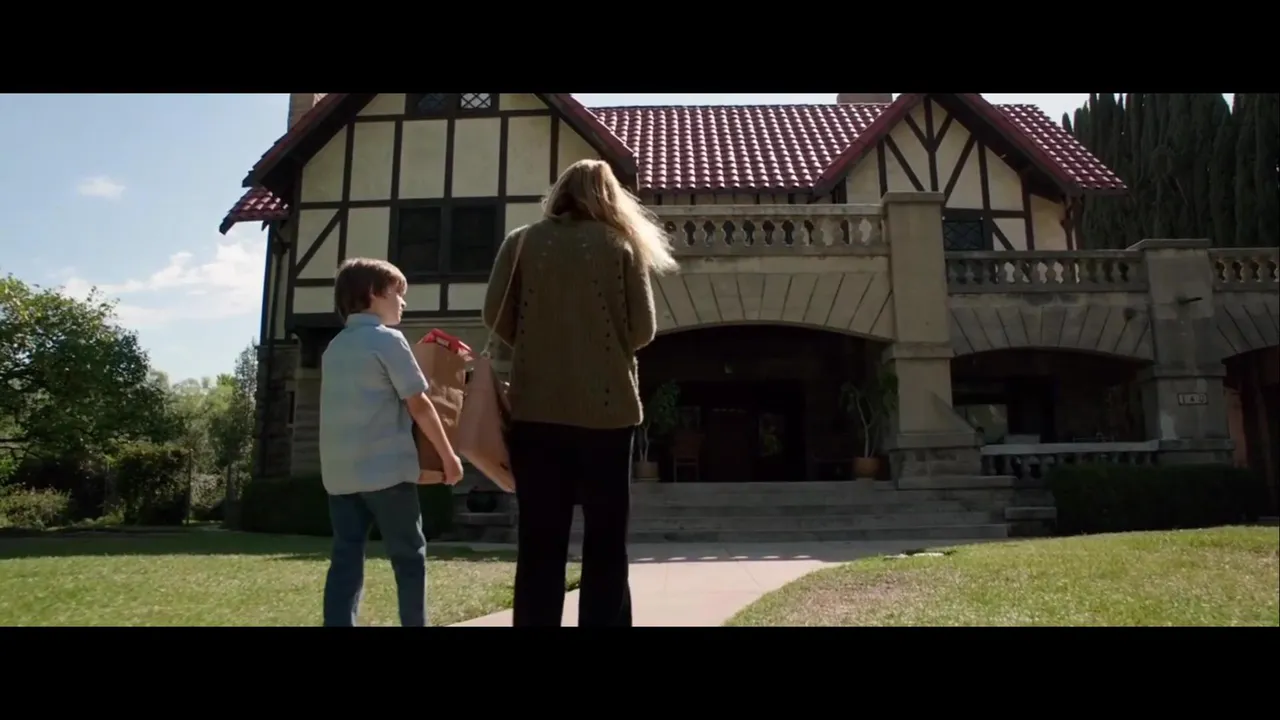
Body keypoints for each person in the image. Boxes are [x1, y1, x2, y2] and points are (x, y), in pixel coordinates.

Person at [482, 158, 679, 627]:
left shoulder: (522, 241)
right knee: (606, 541)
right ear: (610, 196)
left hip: (535, 411)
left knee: (539, 542)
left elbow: (494, 314)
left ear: (560, 192)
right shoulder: (620, 245)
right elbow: (644, 329)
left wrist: (535, 342)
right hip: (608, 414)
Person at [319, 257, 465, 627]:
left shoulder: (333, 348)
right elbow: (419, 403)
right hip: (387, 474)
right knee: (409, 557)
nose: (403, 302)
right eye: (398, 293)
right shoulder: (387, 340)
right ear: (374, 293)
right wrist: (448, 456)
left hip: (340, 477)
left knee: (346, 559)